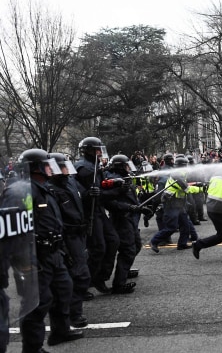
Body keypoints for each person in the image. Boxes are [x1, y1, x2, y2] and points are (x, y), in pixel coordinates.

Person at [18, 149, 84, 351]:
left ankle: (60, 331)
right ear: (36, 167)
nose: (51, 168)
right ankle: (32, 348)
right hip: (36, 255)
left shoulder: (45, 188)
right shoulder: (25, 192)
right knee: (38, 303)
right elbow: (19, 224)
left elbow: (55, 222)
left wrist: (63, 250)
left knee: (64, 290)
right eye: (47, 165)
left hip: (55, 251)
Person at [48, 153, 92, 328]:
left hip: (79, 233)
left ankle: (71, 313)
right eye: (64, 166)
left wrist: (92, 193)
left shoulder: (71, 182)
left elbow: (83, 196)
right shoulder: (52, 190)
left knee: (78, 275)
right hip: (67, 236)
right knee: (79, 275)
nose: (68, 169)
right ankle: (73, 315)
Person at [74, 137, 120, 294]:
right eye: (97, 150)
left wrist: (115, 184)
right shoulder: (82, 168)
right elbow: (78, 191)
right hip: (90, 212)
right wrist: (88, 193)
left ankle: (100, 277)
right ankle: (84, 283)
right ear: (88, 151)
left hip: (99, 210)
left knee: (113, 241)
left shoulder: (95, 166)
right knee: (98, 248)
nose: (100, 152)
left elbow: (101, 188)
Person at [103, 155, 146, 294]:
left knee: (136, 245)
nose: (129, 168)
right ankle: (119, 284)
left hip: (130, 218)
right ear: (120, 167)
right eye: (127, 166)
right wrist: (130, 207)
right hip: (121, 219)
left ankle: (123, 270)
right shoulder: (112, 181)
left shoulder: (125, 178)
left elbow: (132, 197)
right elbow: (110, 203)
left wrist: (140, 207)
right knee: (128, 250)